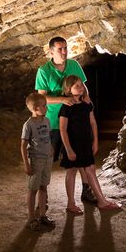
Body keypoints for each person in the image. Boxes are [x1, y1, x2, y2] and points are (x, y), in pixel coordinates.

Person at [35, 36, 97, 204]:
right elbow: (41, 99)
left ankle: (86, 190)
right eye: (60, 49)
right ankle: (43, 193)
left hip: (75, 121)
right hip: (54, 121)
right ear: (51, 51)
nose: (64, 52)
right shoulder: (44, 71)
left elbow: (83, 86)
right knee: (49, 159)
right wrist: (62, 100)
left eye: (65, 48)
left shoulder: (74, 65)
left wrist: (88, 103)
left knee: (81, 157)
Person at [59, 75, 121, 213]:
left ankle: (102, 201)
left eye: (81, 85)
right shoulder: (66, 107)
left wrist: (96, 141)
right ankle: (71, 204)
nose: (80, 88)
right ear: (68, 89)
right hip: (73, 145)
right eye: (76, 86)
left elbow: (93, 123)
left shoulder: (87, 104)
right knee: (71, 171)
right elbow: (63, 130)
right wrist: (68, 149)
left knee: (90, 170)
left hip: (86, 144)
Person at [20, 93, 55, 231]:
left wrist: (50, 148)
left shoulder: (46, 121)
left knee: (43, 187)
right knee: (33, 189)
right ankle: (31, 218)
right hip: (36, 160)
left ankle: (42, 215)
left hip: (47, 159)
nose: (46, 107)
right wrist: (26, 164)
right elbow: (23, 145)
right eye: (44, 105)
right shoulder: (28, 125)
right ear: (35, 108)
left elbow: (48, 136)